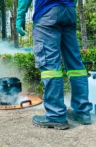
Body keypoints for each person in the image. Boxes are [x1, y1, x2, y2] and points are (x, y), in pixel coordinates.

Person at [16, 0, 93, 130]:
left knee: (50, 67)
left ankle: (55, 115)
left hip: (47, 12)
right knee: (75, 65)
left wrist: (20, 15)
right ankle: (82, 112)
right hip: (69, 11)